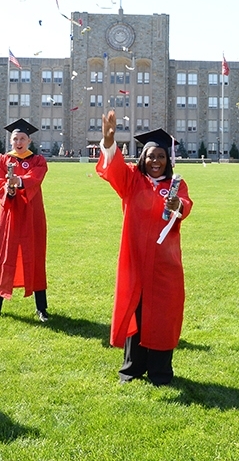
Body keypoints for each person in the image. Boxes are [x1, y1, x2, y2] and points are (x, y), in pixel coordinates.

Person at [96, 111, 192, 386]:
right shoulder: (132, 181)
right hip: (135, 257)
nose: (156, 161)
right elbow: (112, 169)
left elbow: (185, 204)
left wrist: (178, 206)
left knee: (163, 313)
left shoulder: (176, 185)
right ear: (142, 158)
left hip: (165, 262)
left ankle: (161, 372)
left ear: (168, 160)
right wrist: (109, 140)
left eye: (161, 156)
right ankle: (132, 368)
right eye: (151, 156)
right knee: (135, 310)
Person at [0, 119, 50, 321]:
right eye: (15, 138)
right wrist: (9, 189)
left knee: (36, 258)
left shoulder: (38, 160)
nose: (18, 142)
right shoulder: (2, 161)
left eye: (22, 138)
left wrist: (19, 181)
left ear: (29, 141)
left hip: (32, 215)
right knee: (4, 257)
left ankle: (42, 308)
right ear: (11, 140)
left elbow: (36, 177)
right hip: (10, 215)